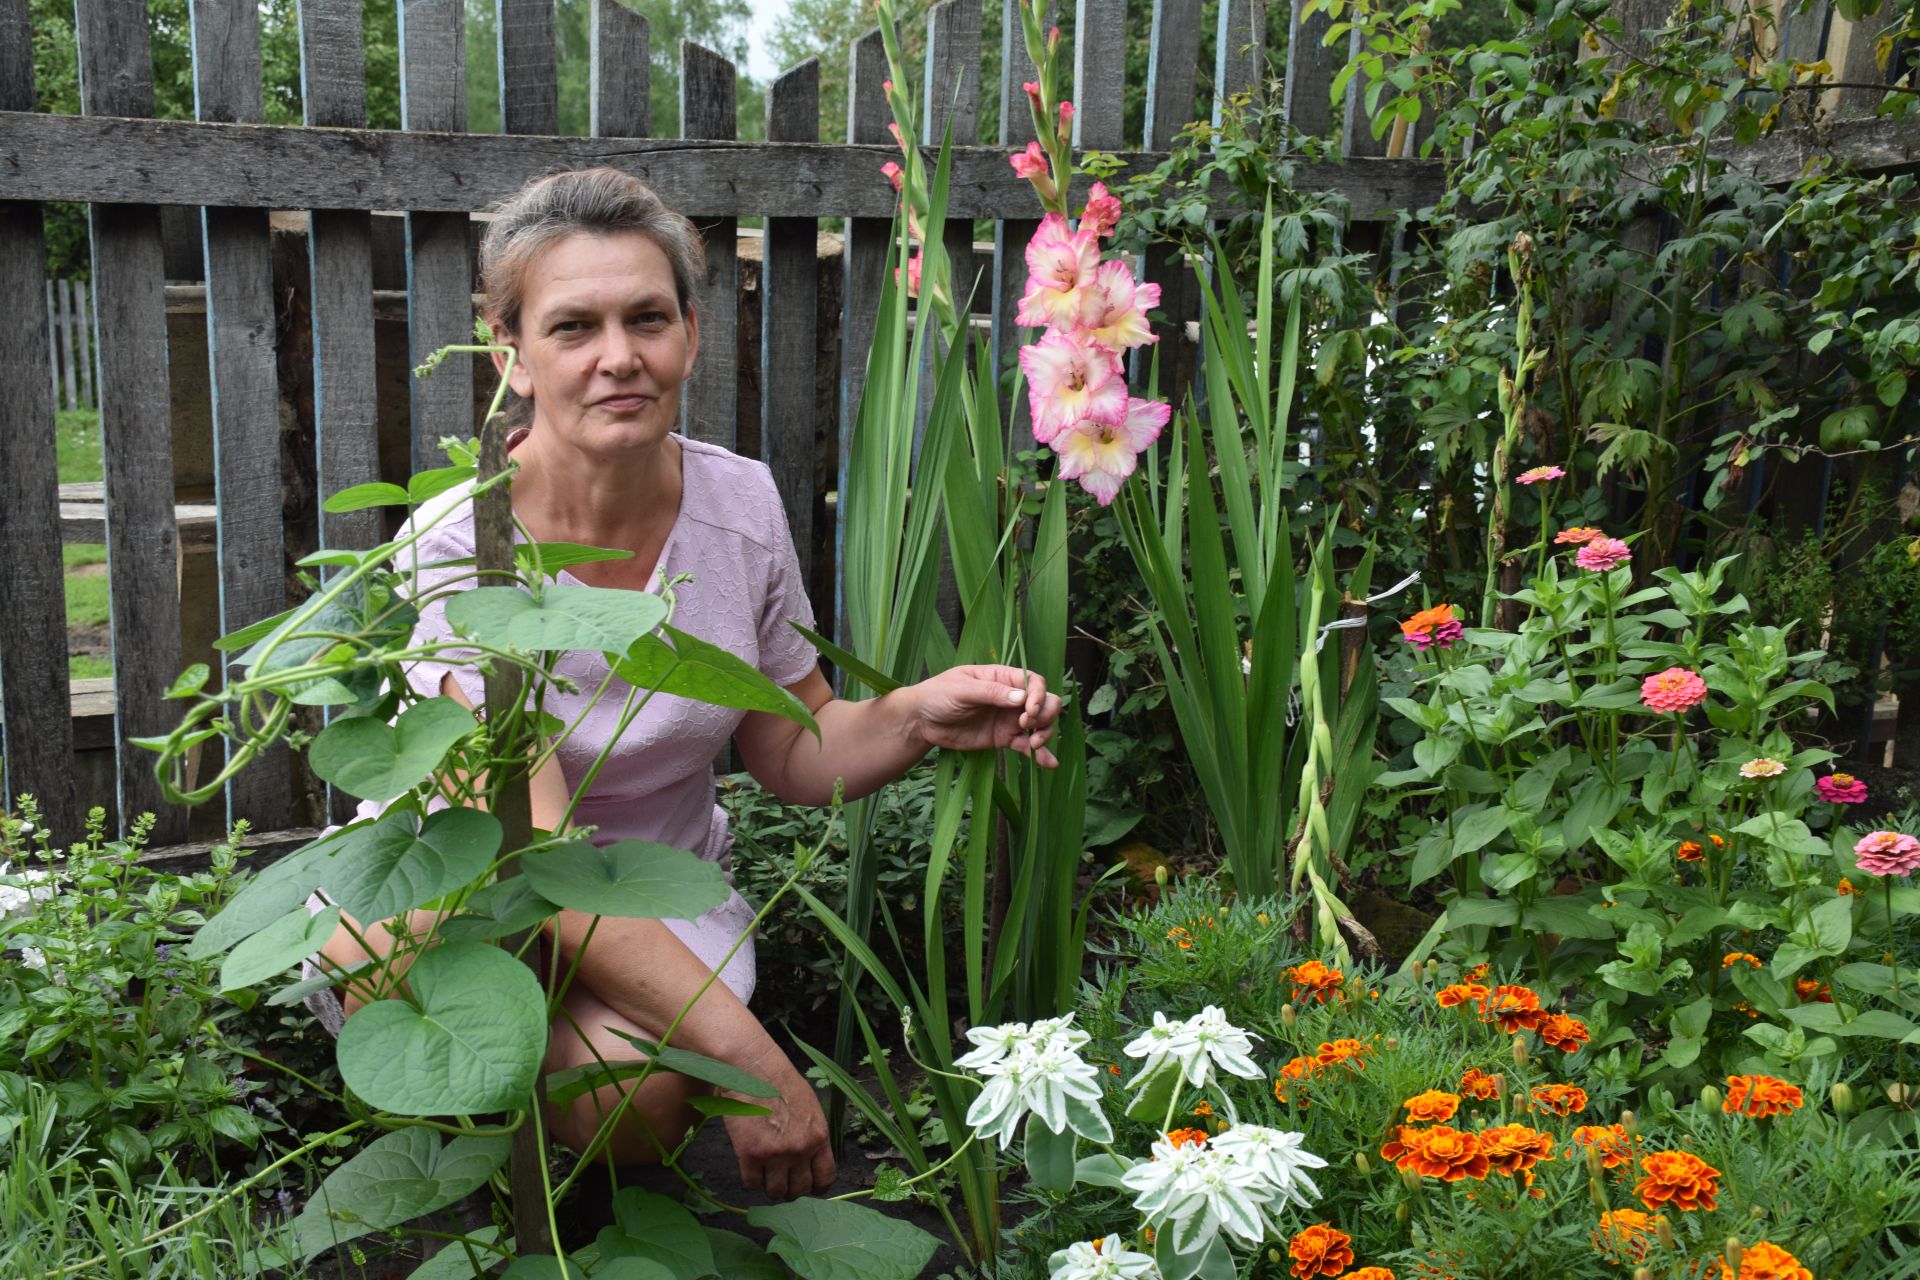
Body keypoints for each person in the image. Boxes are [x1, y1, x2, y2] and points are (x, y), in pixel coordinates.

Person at [314, 168, 1063, 1202]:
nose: (619, 356)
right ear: (510, 357)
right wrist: (762, 1067)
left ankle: (560, 1155)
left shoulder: (739, 504)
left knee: (630, 1098)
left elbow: (794, 748)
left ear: (691, 336)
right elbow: (532, 853)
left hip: (659, 887)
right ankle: (473, 1167)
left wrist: (913, 714)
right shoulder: (461, 548)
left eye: (648, 318)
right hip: (469, 886)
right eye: (572, 327)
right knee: (395, 959)